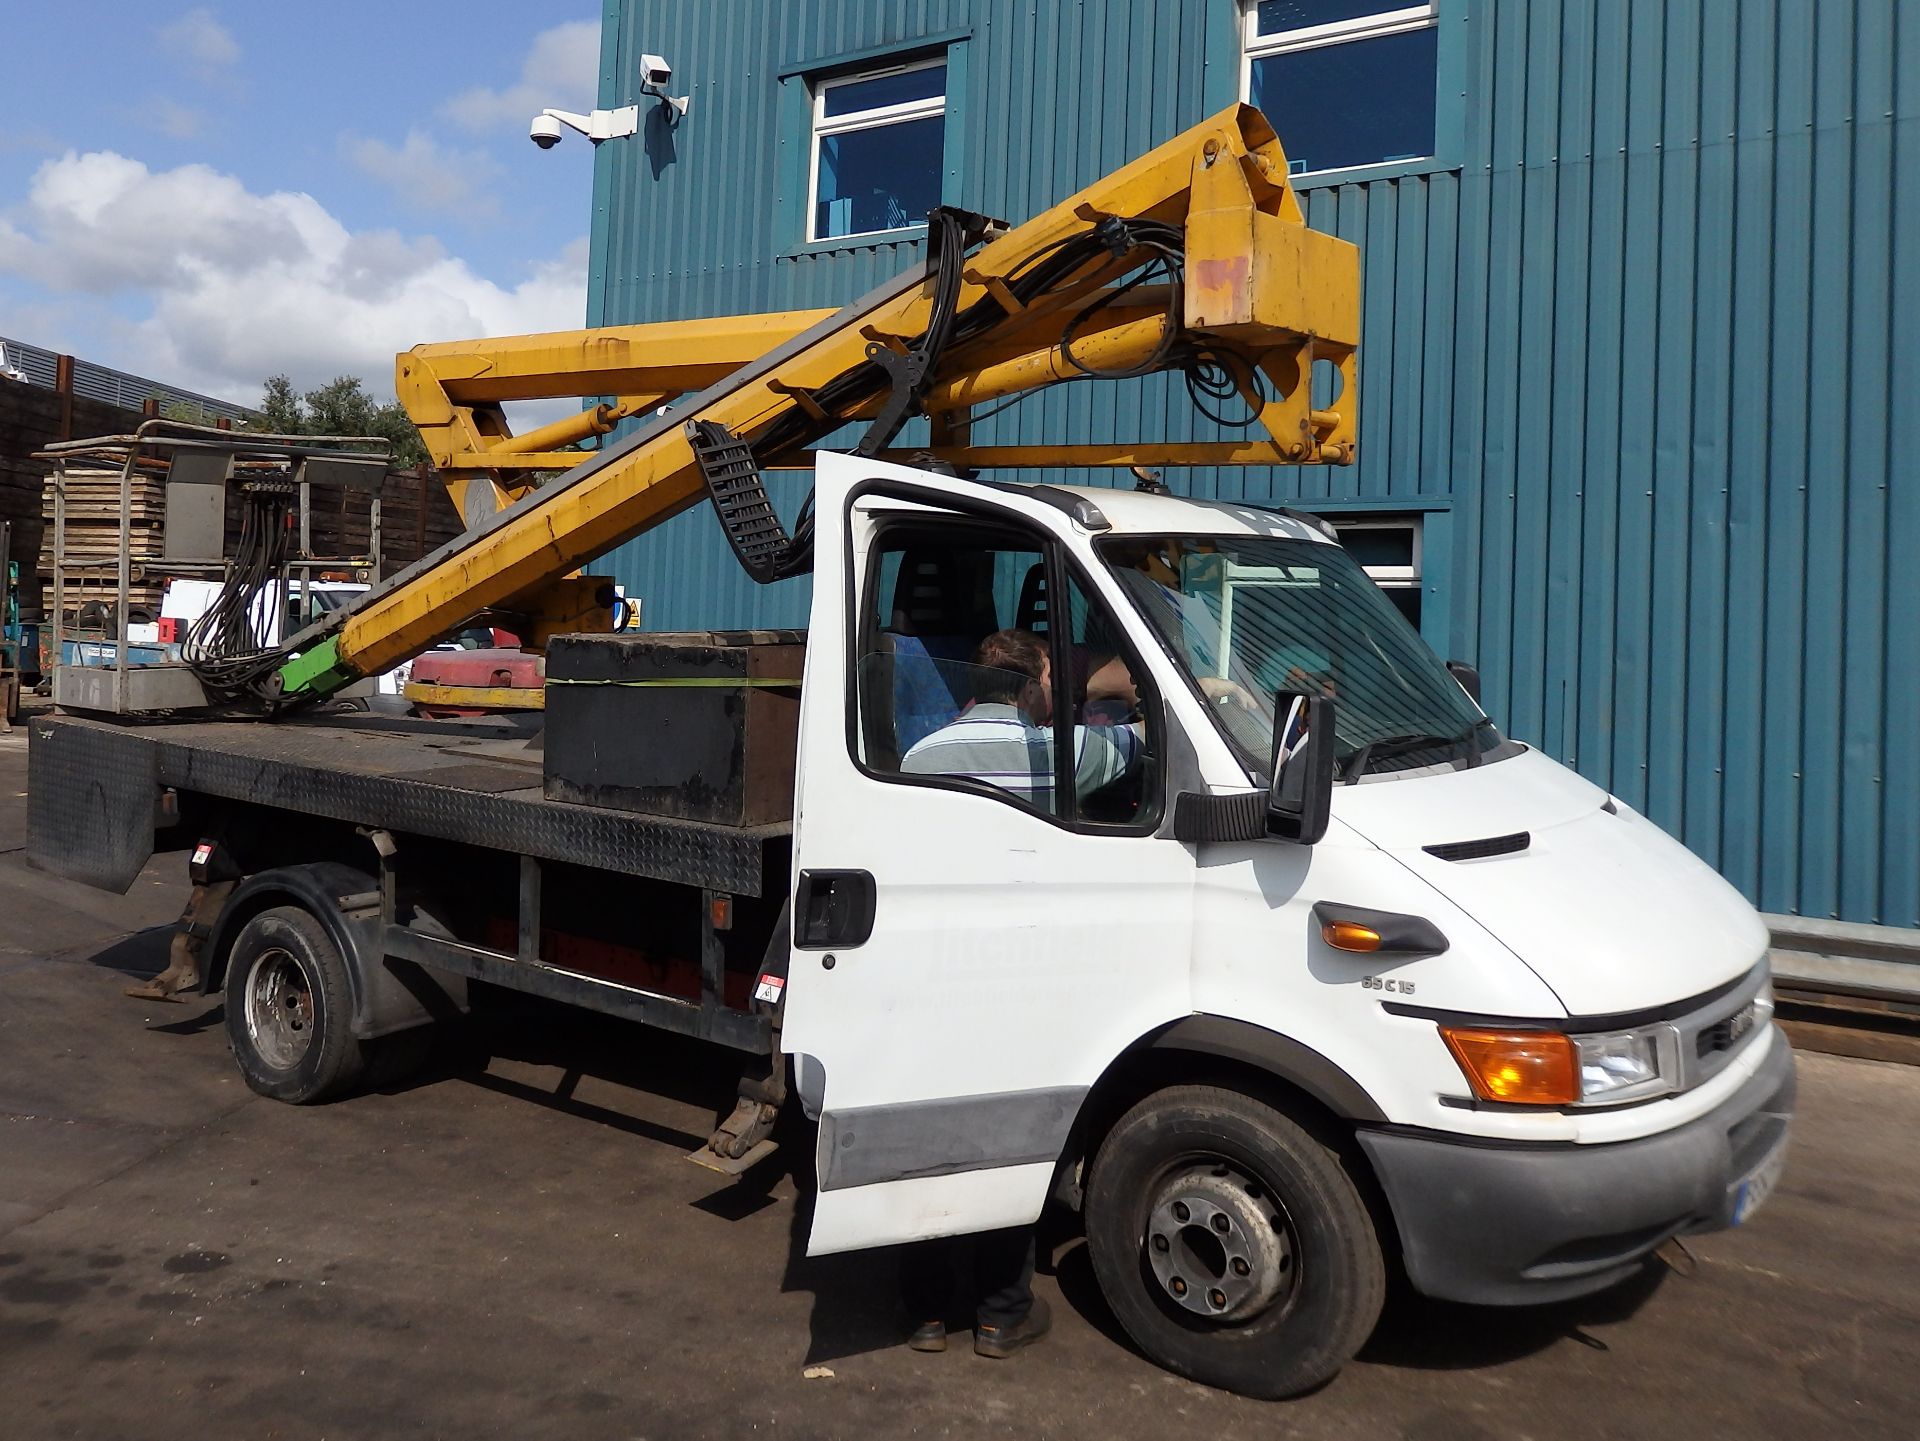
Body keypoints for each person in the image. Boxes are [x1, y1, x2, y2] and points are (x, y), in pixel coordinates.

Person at [899, 628, 1142, 810]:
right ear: (1030, 690)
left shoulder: (916, 758)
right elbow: (1155, 732)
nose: (1058, 685)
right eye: (1050, 676)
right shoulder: (1061, 753)